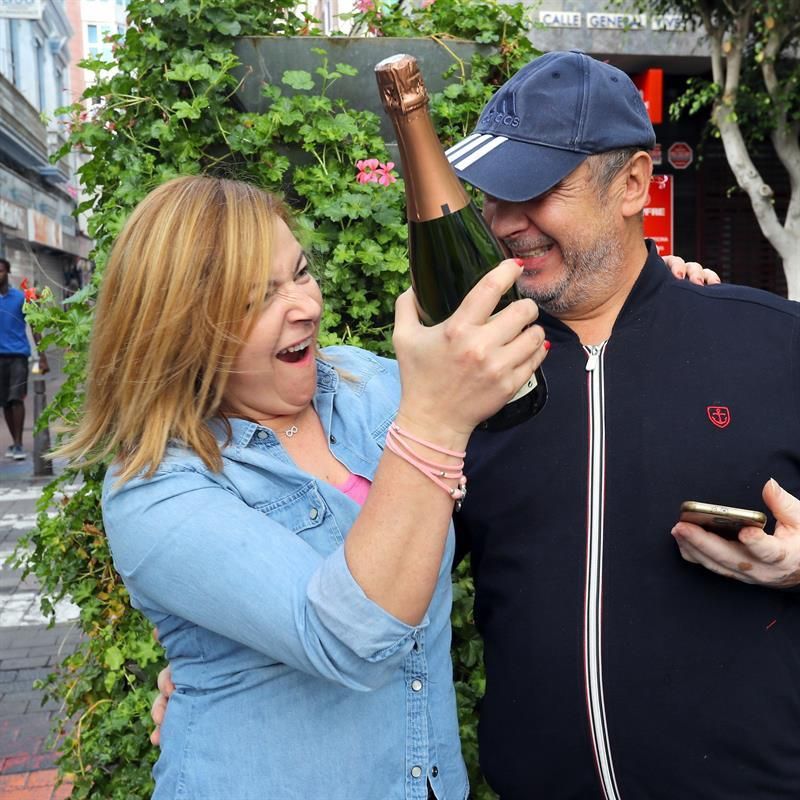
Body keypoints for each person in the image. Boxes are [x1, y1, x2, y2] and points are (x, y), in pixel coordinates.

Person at [57, 174, 548, 800]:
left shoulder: (367, 387)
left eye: (300, 273)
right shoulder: (156, 489)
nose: (306, 306)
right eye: (258, 297)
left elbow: (520, 384)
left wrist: (646, 302)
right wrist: (434, 422)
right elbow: (349, 640)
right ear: (181, 327)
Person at [442, 50, 800, 799]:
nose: (504, 224)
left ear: (633, 184)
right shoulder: (465, 377)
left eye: (537, 190)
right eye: (492, 196)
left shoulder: (775, 344)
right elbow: (390, 585)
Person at [0, 257, 48, 460]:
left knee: (16, 399)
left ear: (8, 272)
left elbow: (34, 326)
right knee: (5, 402)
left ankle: (19, 444)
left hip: (19, 356)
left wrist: (42, 356)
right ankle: (14, 442)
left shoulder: (21, 298)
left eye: (1, 271)